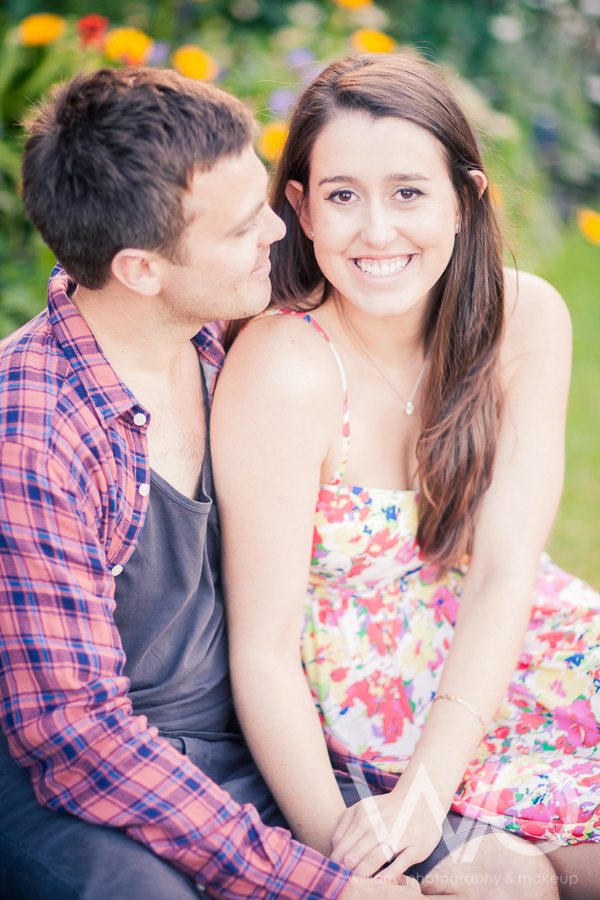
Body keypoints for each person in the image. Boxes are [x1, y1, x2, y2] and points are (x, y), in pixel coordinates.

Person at [0, 65, 422, 900]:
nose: (276, 228)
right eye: (240, 229)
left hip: (247, 729)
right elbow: (78, 739)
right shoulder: (35, 431)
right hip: (93, 784)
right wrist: (319, 886)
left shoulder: (217, 339)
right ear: (141, 269)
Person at [211, 52, 600, 900]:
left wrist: (438, 780)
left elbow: (506, 571)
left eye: (409, 192)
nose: (378, 231)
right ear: (300, 211)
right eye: (343, 195)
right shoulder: (286, 369)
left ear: (466, 200)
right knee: (515, 883)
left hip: (506, 648)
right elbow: (264, 652)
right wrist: (350, 857)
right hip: (365, 706)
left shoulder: (526, 317)